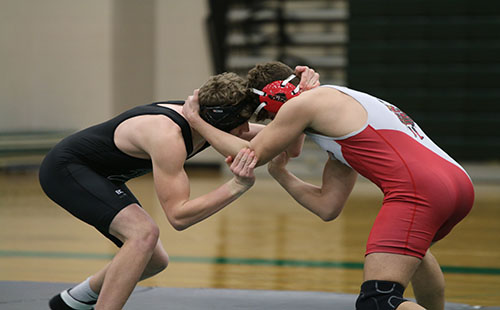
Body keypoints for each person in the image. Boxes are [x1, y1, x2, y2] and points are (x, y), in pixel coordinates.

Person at [182, 61, 475, 310]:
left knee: (378, 301)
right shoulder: (341, 118)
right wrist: (282, 174)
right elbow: (327, 206)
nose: (273, 122)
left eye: (270, 115)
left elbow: (248, 156)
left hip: (418, 191)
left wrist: (197, 121)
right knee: (416, 254)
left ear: (277, 97)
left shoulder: (303, 105)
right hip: (458, 185)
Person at [39, 72, 261, 310]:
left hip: (102, 174)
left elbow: (276, 138)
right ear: (219, 120)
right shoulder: (167, 135)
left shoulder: (206, 120)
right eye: (241, 123)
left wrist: (301, 117)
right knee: (143, 234)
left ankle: (73, 301)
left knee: (154, 261)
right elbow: (178, 216)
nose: (246, 129)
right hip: (66, 171)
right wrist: (236, 186)